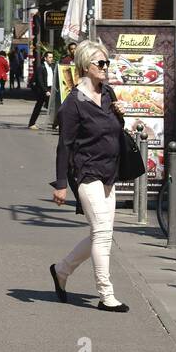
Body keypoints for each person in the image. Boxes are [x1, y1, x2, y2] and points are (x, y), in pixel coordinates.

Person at [49, 39, 130, 313]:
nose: (105, 68)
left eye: (107, 62)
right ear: (85, 66)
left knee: (100, 232)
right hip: (86, 173)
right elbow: (65, 146)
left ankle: (61, 270)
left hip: (109, 172)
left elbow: (115, 130)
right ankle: (106, 294)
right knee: (103, 233)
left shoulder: (108, 94)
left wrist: (120, 116)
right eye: (100, 63)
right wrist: (61, 184)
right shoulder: (73, 103)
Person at [28, 49, 57, 130]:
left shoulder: (52, 67)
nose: (51, 59)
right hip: (43, 90)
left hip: (50, 89)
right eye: (50, 57)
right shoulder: (41, 67)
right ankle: (32, 123)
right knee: (40, 107)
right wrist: (45, 91)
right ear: (45, 58)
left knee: (51, 107)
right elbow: (40, 81)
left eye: (52, 57)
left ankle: (55, 124)